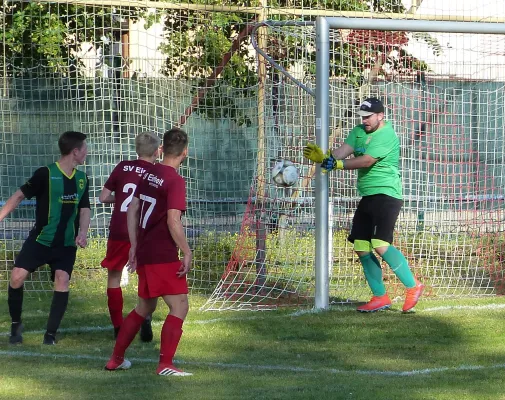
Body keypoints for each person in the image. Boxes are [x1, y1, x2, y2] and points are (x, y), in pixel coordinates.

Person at [303, 97, 424, 313]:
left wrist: (338, 165)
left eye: (368, 117)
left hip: (387, 194)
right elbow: (341, 152)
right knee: (360, 245)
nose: (365, 120)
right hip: (368, 195)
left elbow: (367, 160)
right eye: (362, 117)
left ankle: (413, 286)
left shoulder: (387, 134)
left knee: (379, 243)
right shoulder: (358, 131)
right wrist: (324, 157)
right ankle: (380, 297)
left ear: (380, 116)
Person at [105, 127, 192, 376]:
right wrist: (186, 251)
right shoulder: (175, 180)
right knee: (180, 306)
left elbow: (132, 208)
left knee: (145, 307)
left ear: (162, 149)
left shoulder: (150, 171)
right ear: (184, 152)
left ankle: (116, 359)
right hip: (162, 252)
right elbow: (173, 221)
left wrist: (133, 245)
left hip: (144, 250)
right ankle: (165, 364)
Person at [1, 131, 90, 344]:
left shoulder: (82, 178)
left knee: (62, 279)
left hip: (66, 244)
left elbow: (85, 209)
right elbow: (19, 195)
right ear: (75, 151)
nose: (87, 152)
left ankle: (50, 334)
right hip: (41, 240)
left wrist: (83, 233)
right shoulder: (45, 174)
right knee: (16, 277)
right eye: (85, 148)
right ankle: (16, 324)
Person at [99, 132, 161, 341]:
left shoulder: (122, 166)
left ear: (136, 149)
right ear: (156, 151)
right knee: (146, 277)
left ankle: (118, 327)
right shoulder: (155, 172)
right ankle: (145, 316)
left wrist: (121, 201)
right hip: (142, 230)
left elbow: (103, 197)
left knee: (114, 276)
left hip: (119, 228)